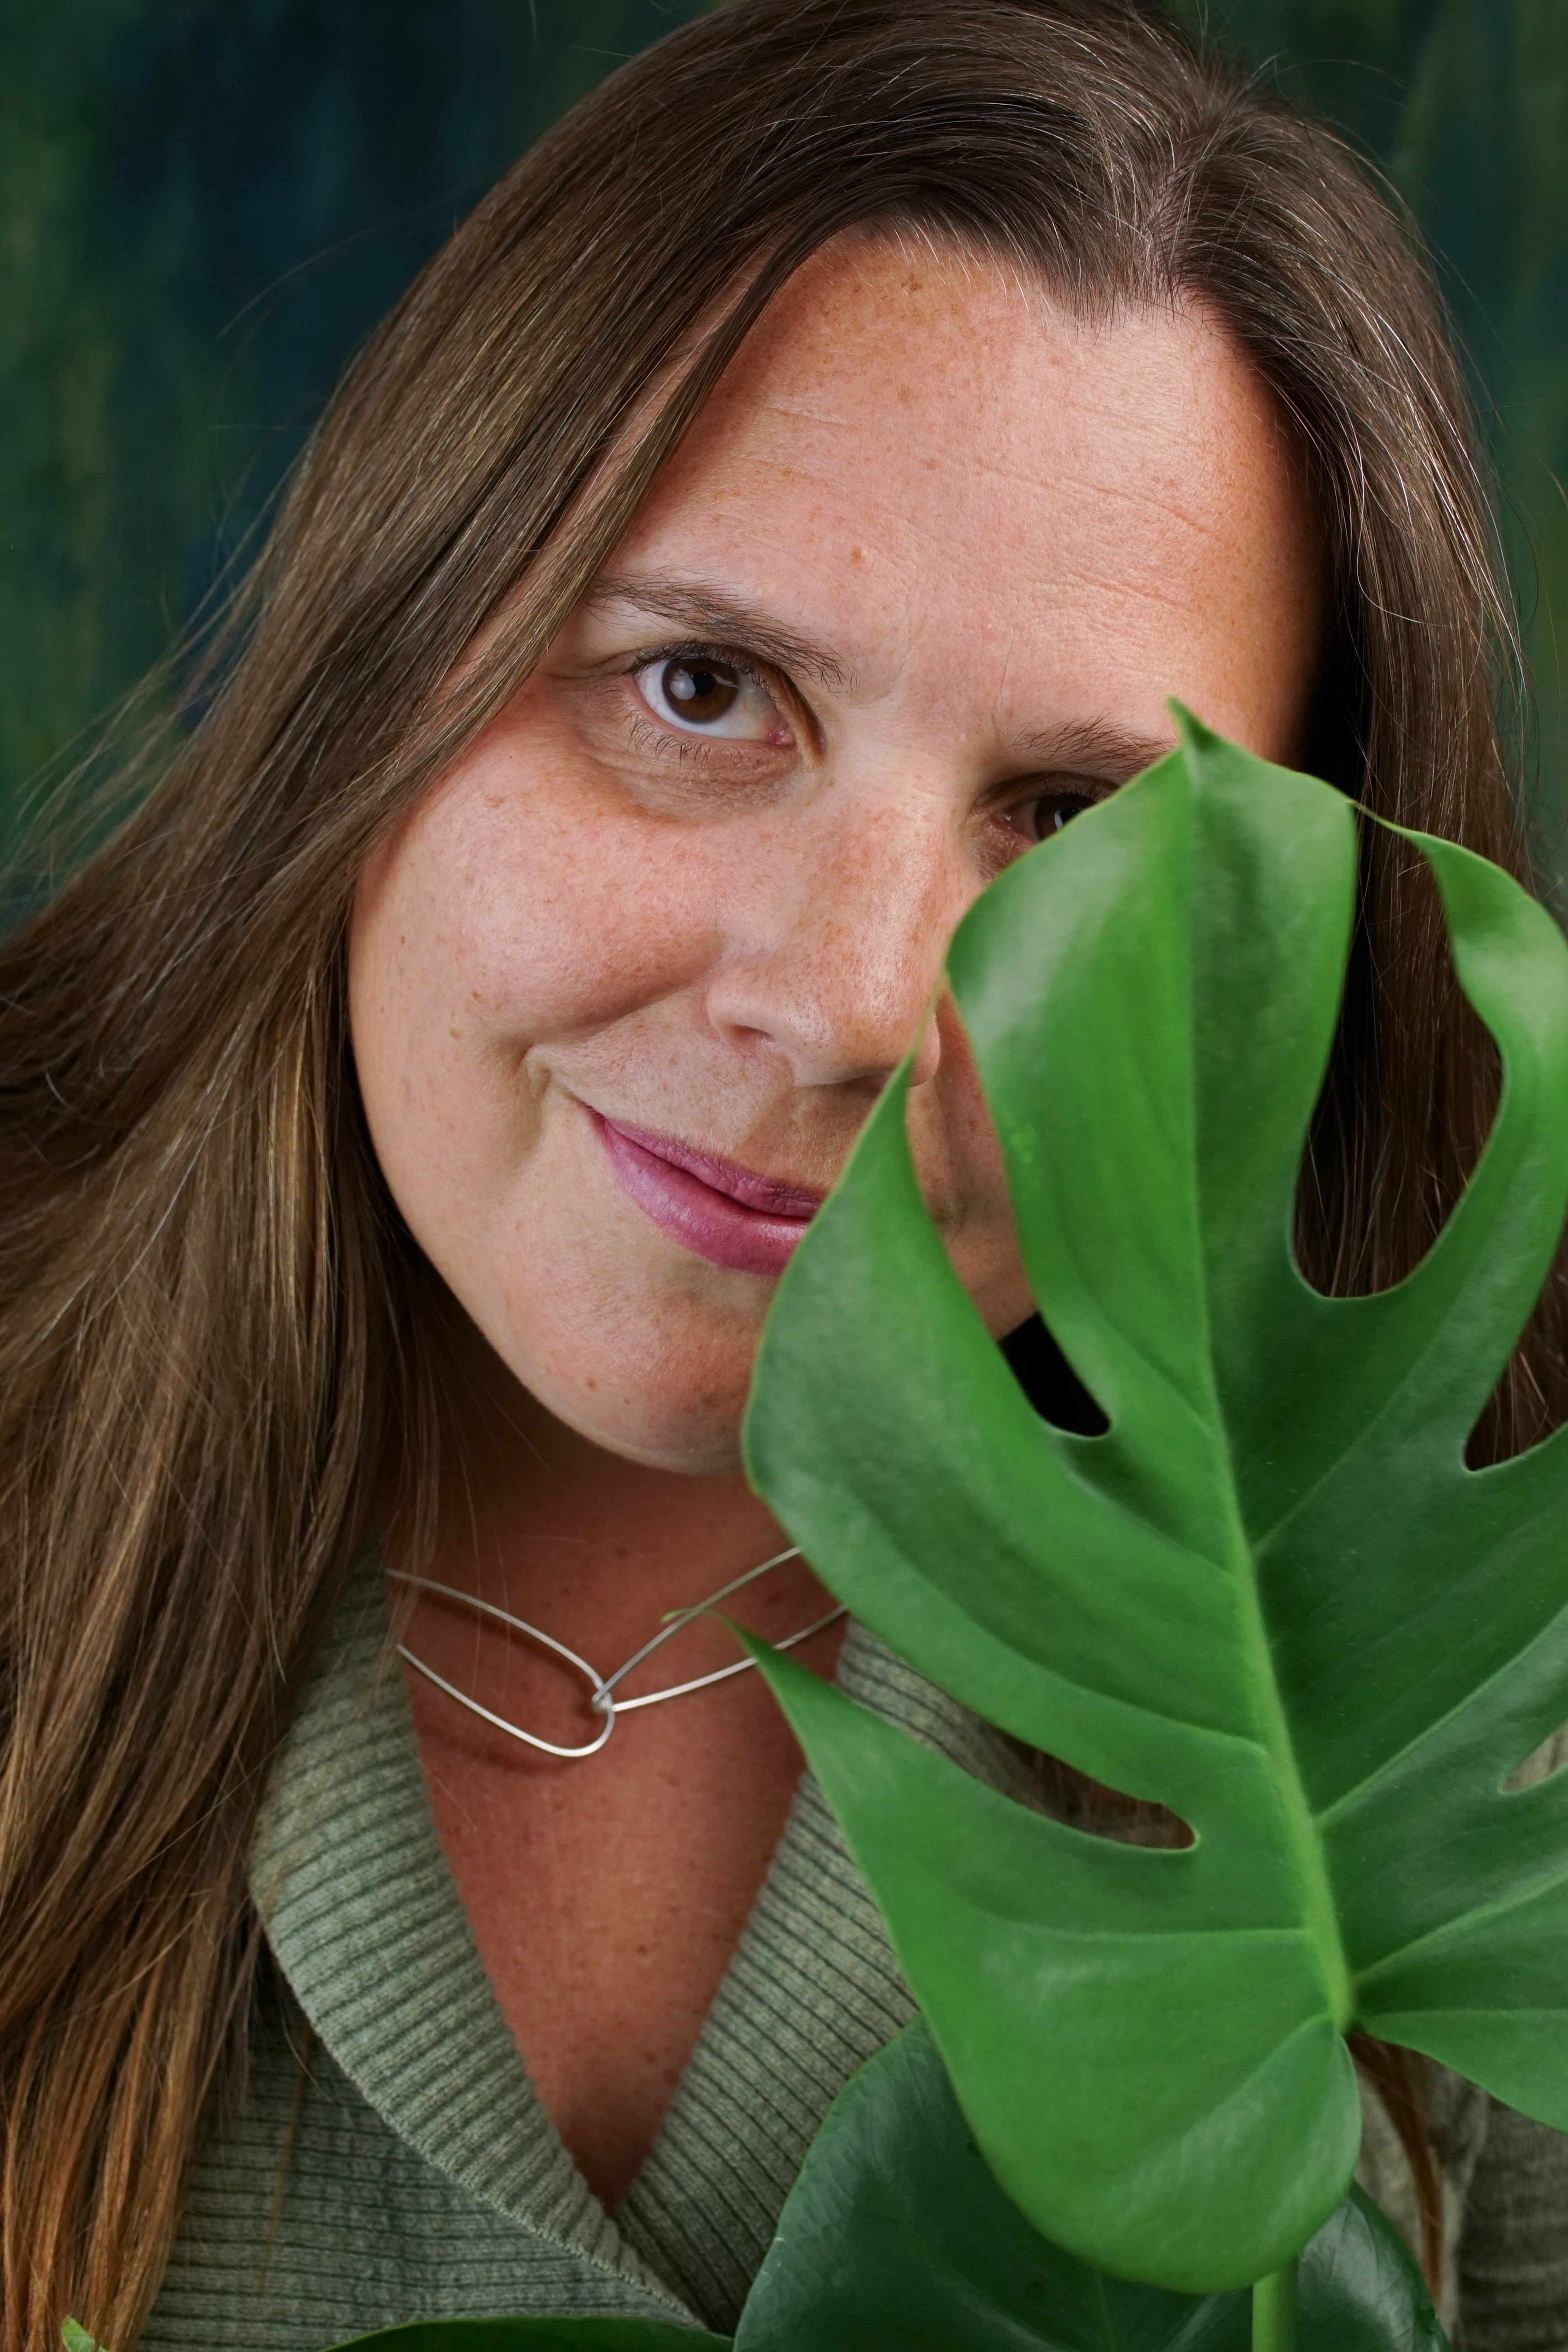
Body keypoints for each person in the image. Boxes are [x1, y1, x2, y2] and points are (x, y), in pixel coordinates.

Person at [2, 1, 1564, 2344]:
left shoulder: (1468, 1698)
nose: (847, 1002)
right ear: (386, 653)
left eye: (1071, 826)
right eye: (702, 691)